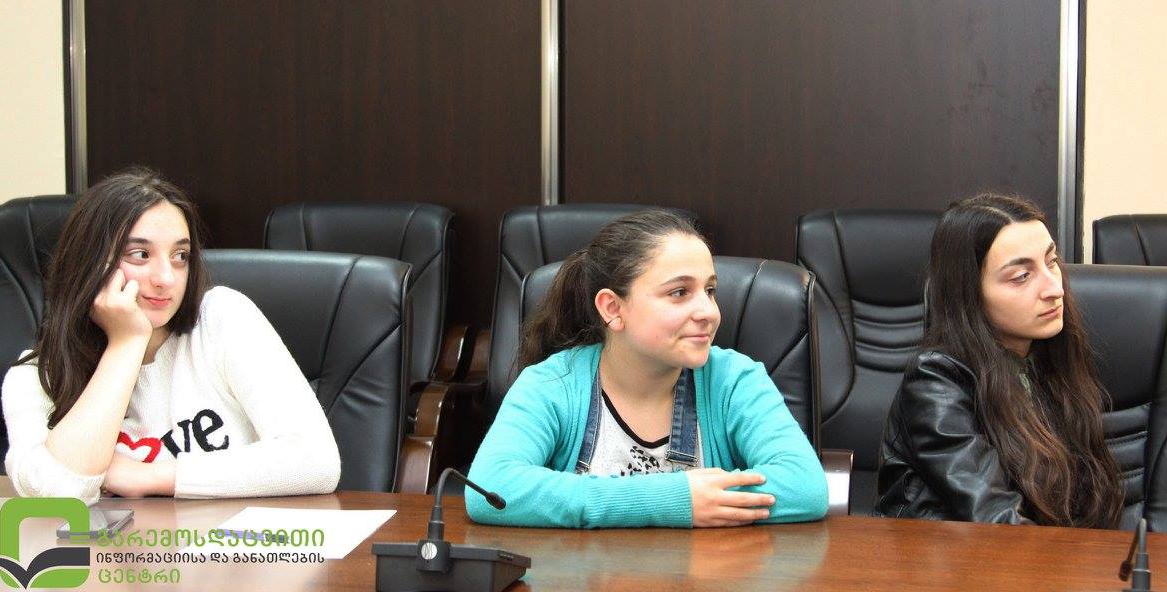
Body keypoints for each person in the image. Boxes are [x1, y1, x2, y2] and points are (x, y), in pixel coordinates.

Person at [467, 210, 828, 528]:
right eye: (679, 293)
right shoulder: (553, 382)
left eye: (710, 290)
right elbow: (492, 488)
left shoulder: (734, 380)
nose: (709, 312)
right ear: (612, 308)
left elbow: (804, 487)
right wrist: (675, 501)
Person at [2, 167, 341, 504]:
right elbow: (54, 494)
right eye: (140, 255)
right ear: (89, 262)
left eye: (180, 256)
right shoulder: (35, 376)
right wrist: (126, 344)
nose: (166, 278)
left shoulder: (221, 318)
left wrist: (150, 477)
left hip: (233, 536)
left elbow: (317, 461)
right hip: (119, 540)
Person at [875, 193, 1123, 526]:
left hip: (1042, 553)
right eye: (1021, 276)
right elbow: (997, 519)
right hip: (960, 557)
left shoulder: (1049, 357)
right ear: (969, 294)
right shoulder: (935, 381)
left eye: (1051, 261)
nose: (1055, 289)